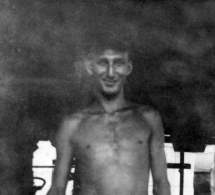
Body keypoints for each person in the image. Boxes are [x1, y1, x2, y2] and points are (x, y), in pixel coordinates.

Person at [47, 41, 171, 195]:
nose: (111, 73)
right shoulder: (73, 124)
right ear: (90, 67)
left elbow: (161, 184)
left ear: (128, 68)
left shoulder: (148, 118)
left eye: (118, 63)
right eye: (103, 63)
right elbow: (57, 189)